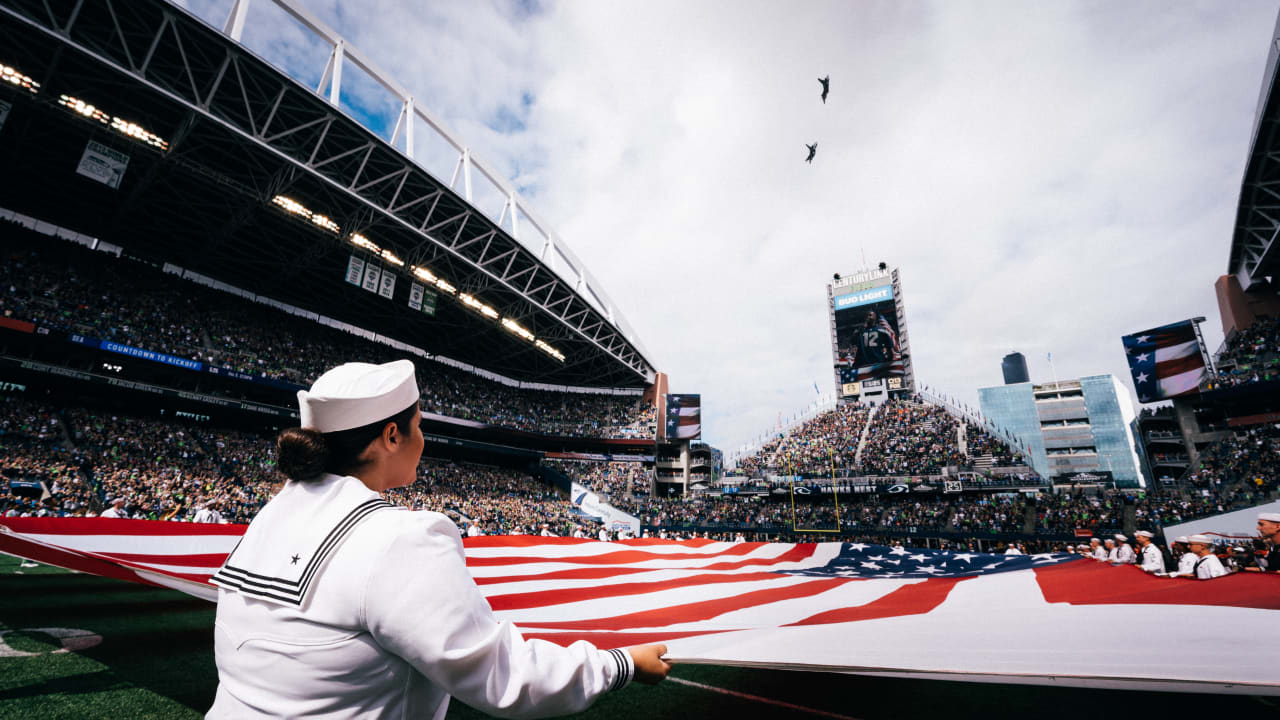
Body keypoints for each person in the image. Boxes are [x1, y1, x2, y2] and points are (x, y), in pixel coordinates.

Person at [207, 361, 669, 719]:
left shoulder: (270, 516)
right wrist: (619, 664)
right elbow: (505, 678)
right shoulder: (400, 537)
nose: (423, 439)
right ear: (391, 435)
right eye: (420, 425)